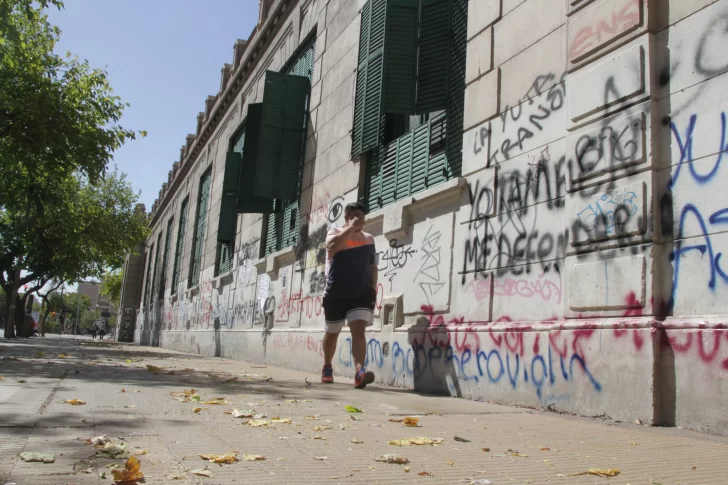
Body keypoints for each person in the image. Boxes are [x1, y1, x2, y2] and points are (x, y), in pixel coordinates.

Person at [321, 202, 378, 388]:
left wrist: (373, 288)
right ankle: (327, 366)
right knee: (332, 333)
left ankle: (359, 372)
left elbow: (373, 266)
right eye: (352, 216)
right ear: (346, 218)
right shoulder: (335, 232)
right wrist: (350, 229)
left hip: (360, 293)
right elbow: (331, 246)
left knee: (359, 331)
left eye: (360, 216)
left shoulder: (369, 239)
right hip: (336, 292)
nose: (357, 220)